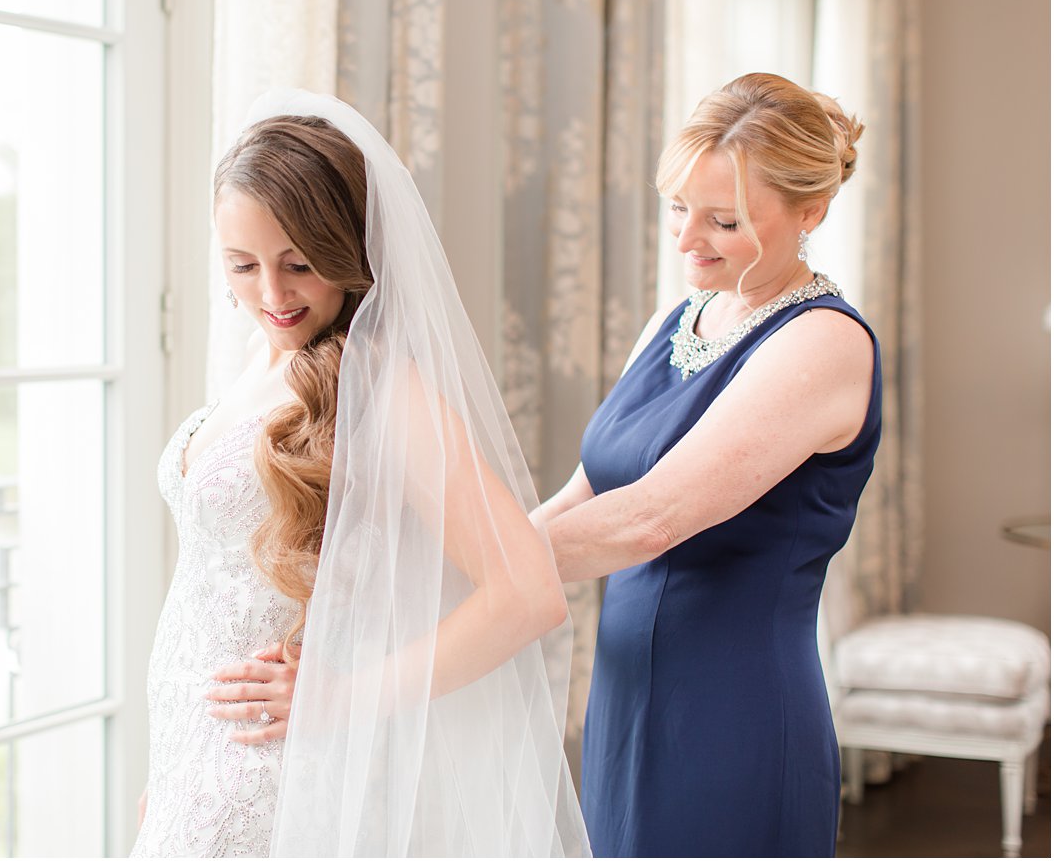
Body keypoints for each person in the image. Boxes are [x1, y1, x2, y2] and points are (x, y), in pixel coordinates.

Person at [132, 90, 589, 857]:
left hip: (269, 776)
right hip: (198, 756)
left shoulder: (379, 382)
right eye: (242, 265)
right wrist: (174, 766)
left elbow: (528, 591)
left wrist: (338, 699)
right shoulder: (267, 355)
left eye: (300, 265)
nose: (272, 296)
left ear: (349, 251)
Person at [531, 72, 880, 857]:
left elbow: (651, 516)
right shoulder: (675, 317)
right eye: (679, 208)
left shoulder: (824, 343)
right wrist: (462, 563)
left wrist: (485, 564)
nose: (687, 239)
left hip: (732, 712)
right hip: (625, 700)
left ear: (810, 212)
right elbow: (590, 488)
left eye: (722, 220)